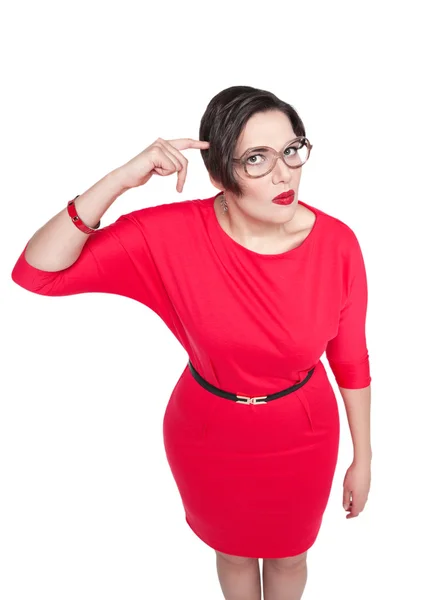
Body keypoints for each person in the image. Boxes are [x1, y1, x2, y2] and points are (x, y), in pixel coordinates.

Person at [11, 85, 372, 600]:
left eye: (291, 150)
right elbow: (36, 272)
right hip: (209, 433)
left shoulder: (338, 244)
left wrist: (364, 456)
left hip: (303, 433)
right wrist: (119, 179)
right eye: (256, 159)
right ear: (219, 174)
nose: (283, 173)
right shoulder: (169, 236)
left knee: (291, 555)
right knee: (232, 553)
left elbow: (351, 358)